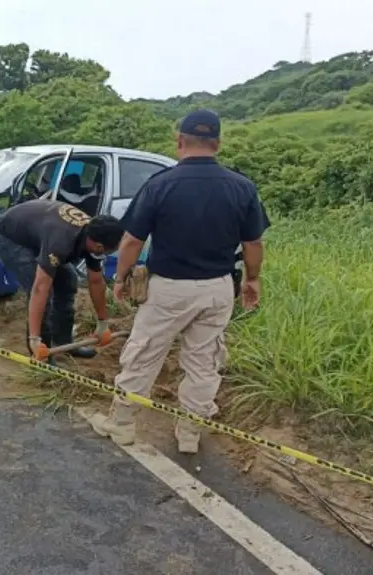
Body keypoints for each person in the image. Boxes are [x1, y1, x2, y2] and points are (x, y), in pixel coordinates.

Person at [88, 109, 268, 454]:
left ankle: (122, 424)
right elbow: (253, 243)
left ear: (180, 141)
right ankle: (190, 433)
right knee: (205, 362)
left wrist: (121, 277)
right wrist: (253, 279)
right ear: (217, 143)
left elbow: (131, 241)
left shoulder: (160, 183)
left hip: (169, 289)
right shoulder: (242, 187)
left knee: (143, 354)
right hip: (218, 289)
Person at [0, 198, 125, 363]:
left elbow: (96, 282)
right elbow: (40, 288)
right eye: (105, 251)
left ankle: (63, 342)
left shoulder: (94, 235)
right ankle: (40, 354)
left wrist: (102, 322)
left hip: (38, 234)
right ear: (98, 246)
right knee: (44, 292)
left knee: (68, 281)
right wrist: (34, 338)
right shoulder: (61, 242)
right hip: (10, 238)